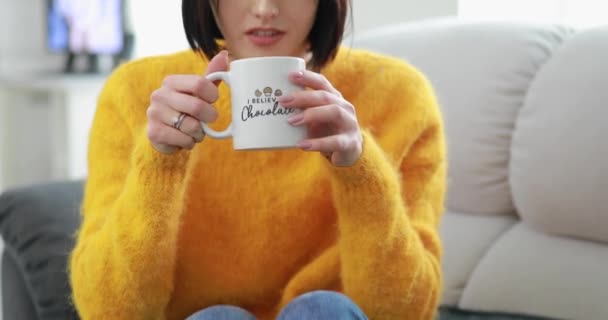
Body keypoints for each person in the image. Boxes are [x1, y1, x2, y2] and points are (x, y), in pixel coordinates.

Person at [69, 0, 447, 319]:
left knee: (323, 310)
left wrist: (360, 171)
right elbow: (108, 311)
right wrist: (159, 163)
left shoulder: (398, 96)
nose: (265, 9)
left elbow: (404, 312)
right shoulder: (136, 93)